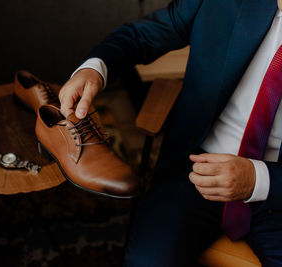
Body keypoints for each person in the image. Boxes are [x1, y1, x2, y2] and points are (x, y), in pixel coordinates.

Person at [58, 0, 282, 266]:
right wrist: (94, 70)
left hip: (276, 189)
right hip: (194, 169)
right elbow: (142, 35)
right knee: (148, 261)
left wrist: (258, 179)